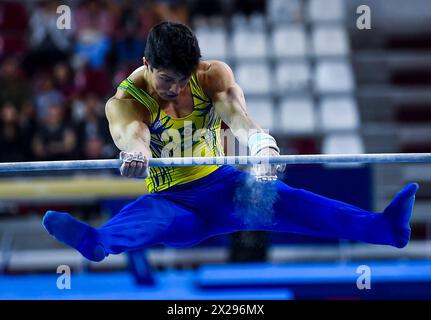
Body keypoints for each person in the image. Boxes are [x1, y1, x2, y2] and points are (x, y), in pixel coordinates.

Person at [42, 21, 418, 262]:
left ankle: (384, 228)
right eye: (166, 79)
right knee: (148, 218)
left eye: (182, 78)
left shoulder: (210, 76)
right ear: (146, 63)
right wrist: (137, 155)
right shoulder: (126, 101)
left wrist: (260, 144)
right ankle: (99, 242)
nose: (174, 88)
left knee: (296, 205)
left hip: (226, 188)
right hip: (175, 202)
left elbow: (238, 117)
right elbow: (133, 135)